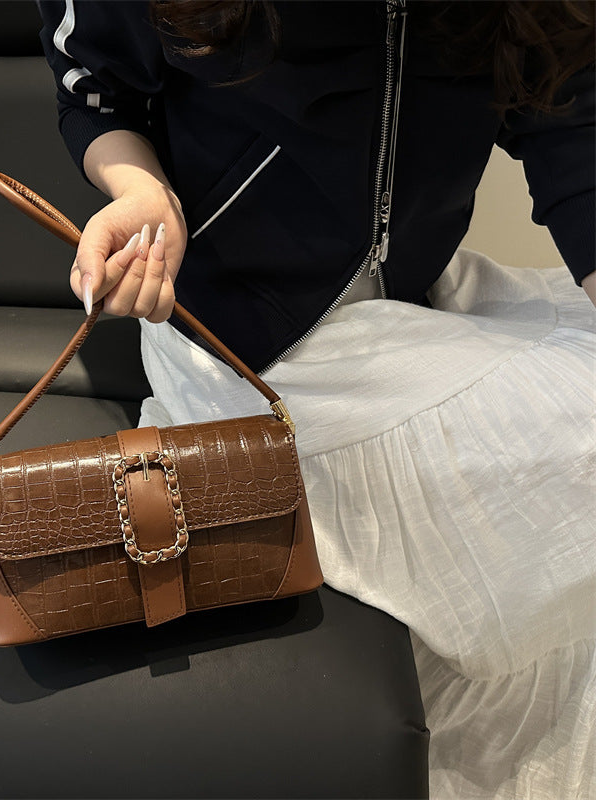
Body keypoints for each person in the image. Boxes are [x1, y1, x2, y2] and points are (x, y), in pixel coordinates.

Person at [38, 2, 595, 797]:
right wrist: (143, 190)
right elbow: (95, 89)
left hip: (419, 303)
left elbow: (566, 109)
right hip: (239, 339)